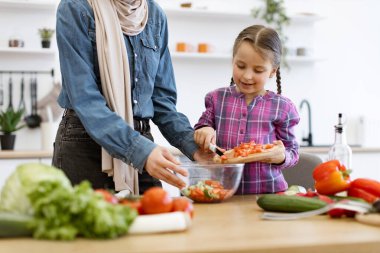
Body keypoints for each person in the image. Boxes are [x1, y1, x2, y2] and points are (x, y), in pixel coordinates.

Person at [53, 0, 208, 195]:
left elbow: (162, 102)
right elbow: (85, 98)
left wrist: (194, 146)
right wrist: (140, 151)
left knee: (154, 223)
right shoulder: (76, 7)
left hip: (142, 142)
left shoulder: (154, 15)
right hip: (84, 146)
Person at [194, 25, 300, 194]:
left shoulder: (283, 107)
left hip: (269, 193)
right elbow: (202, 125)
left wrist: (281, 157)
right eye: (241, 66)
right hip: (224, 192)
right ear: (233, 60)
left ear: (272, 71)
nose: (247, 76)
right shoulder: (216, 98)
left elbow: (293, 152)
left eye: (258, 70)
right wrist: (204, 130)